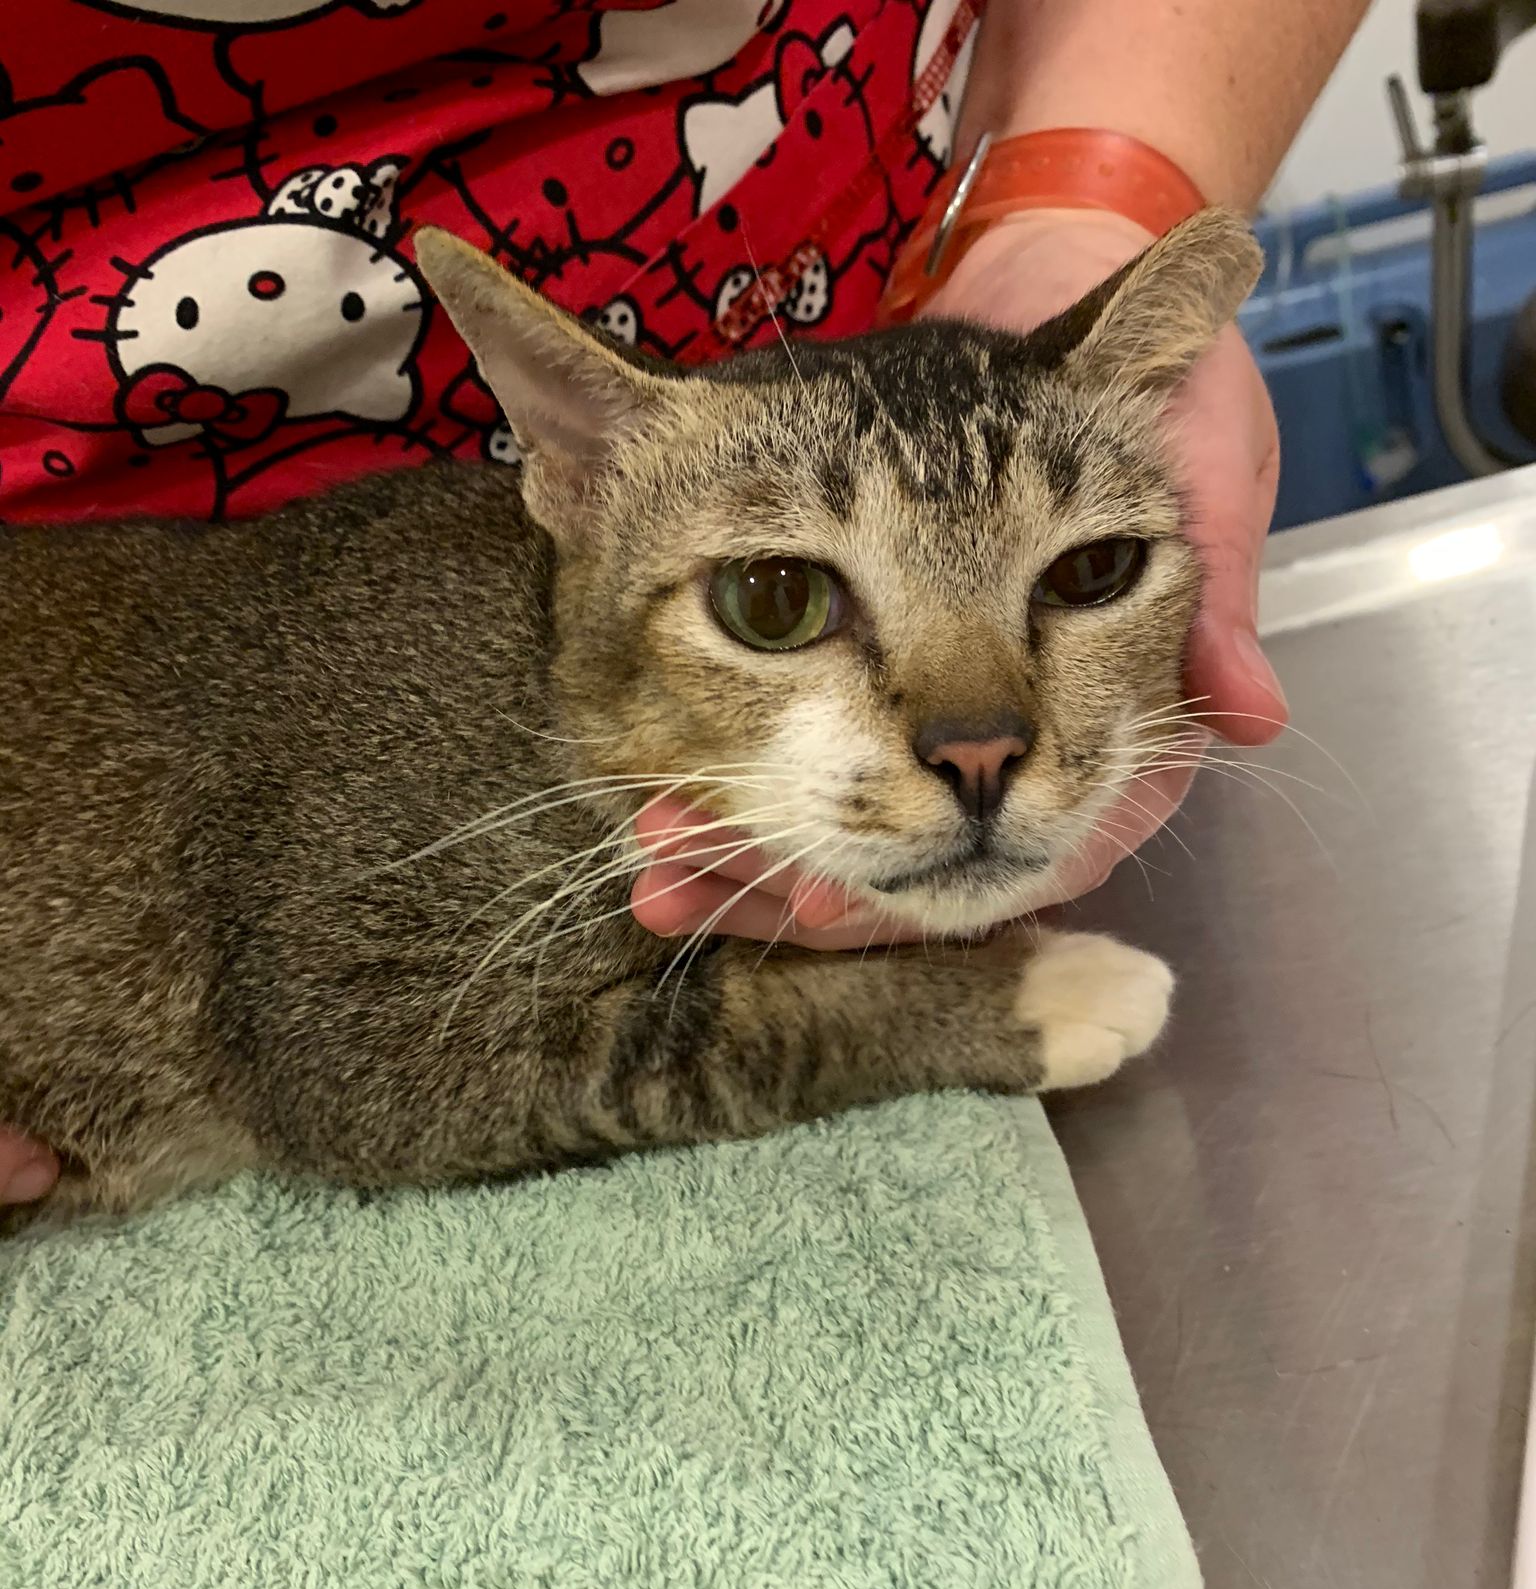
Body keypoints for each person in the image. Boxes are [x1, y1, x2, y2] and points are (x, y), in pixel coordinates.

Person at [0, 0, 1368, 1206]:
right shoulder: (446, 743)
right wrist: (946, 1016)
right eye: (780, 598)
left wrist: (1091, 198)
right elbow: (368, 1088)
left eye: (1086, 572)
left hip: (836, 242)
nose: (980, 737)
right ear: (582, 482)